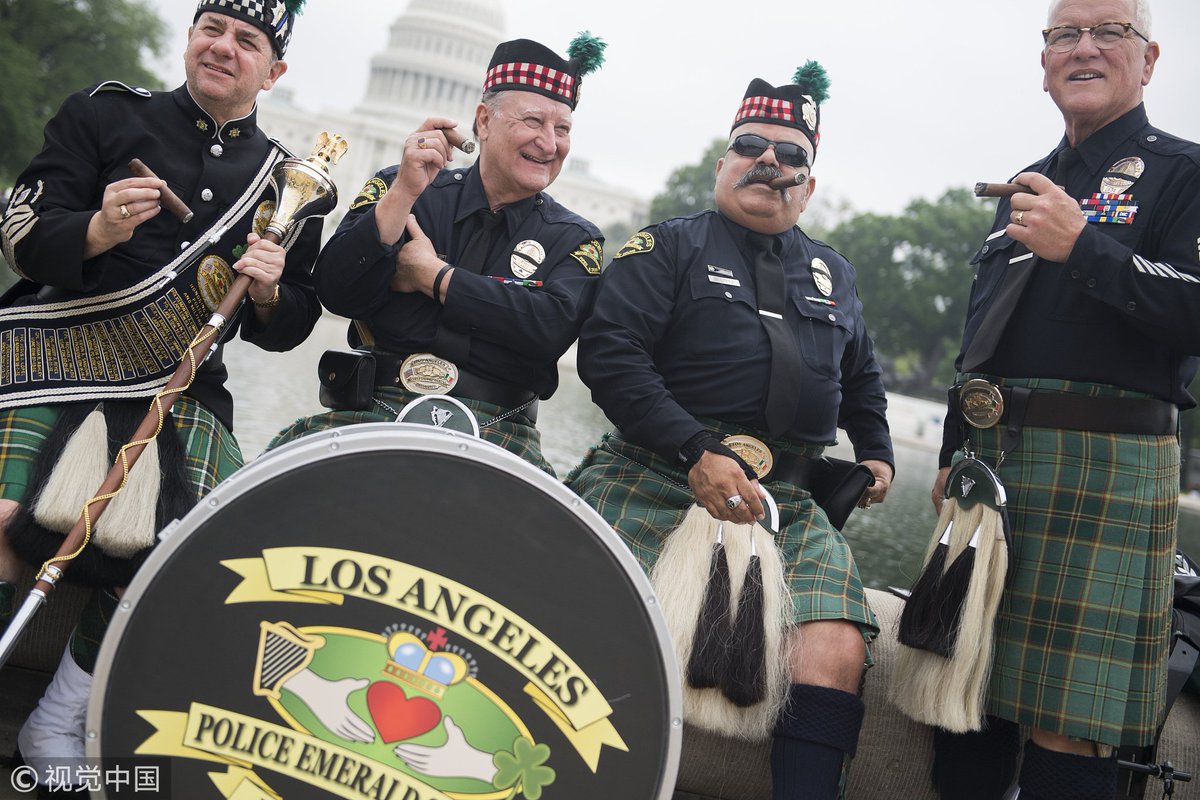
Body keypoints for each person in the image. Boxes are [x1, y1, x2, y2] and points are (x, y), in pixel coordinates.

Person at [0, 0, 322, 790]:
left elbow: (290, 329)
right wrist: (98, 232)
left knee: (190, 562)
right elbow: (19, 231)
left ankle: (57, 725)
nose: (223, 47)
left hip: (181, 393)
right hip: (56, 358)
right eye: (211, 28)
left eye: (247, 40)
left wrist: (275, 291)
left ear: (273, 71)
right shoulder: (103, 116)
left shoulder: (293, 184)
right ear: (189, 39)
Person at [565, 64, 894, 800]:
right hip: (658, 469)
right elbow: (612, 357)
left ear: (808, 186)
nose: (771, 164)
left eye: (792, 158)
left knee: (838, 646)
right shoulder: (668, 247)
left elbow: (863, 377)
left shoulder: (833, 274)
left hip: (786, 497)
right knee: (588, 605)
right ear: (724, 163)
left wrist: (876, 453)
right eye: (752, 146)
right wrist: (694, 450)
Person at [928, 1, 1199, 798]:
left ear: (1148, 60)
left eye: (1110, 30)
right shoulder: (1024, 183)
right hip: (991, 467)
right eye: (1065, 35)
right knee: (964, 697)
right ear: (1043, 61)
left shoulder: (1186, 174)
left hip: (1106, 471)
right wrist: (951, 452)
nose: (1085, 48)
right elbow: (982, 341)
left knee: (1067, 728)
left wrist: (1084, 247)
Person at [269, 34, 607, 474]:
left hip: (501, 434)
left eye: (562, 129)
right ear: (483, 121)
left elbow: (547, 329)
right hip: (374, 410)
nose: (549, 143)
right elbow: (335, 291)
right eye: (533, 122)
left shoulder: (577, 238)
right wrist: (403, 195)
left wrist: (435, 277)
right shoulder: (406, 189)